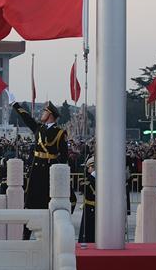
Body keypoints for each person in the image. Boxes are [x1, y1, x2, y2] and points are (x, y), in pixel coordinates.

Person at [6, 91, 71, 239]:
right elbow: (26, 117)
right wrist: (14, 104)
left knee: (47, 201)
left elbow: (64, 157)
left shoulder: (60, 133)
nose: (42, 114)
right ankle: (26, 234)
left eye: (44, 112)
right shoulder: (39, 128)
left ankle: (49, 233)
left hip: (49, 170)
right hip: (36, 170)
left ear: (50, 115)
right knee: (30, 201)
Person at [79, 156, 96, 243]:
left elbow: (82, 189)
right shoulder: (103, 178)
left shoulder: (89, 179)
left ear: (91, 167)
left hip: (90, 207)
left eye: (88, 167)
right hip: (97, 208)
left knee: (88, 230)